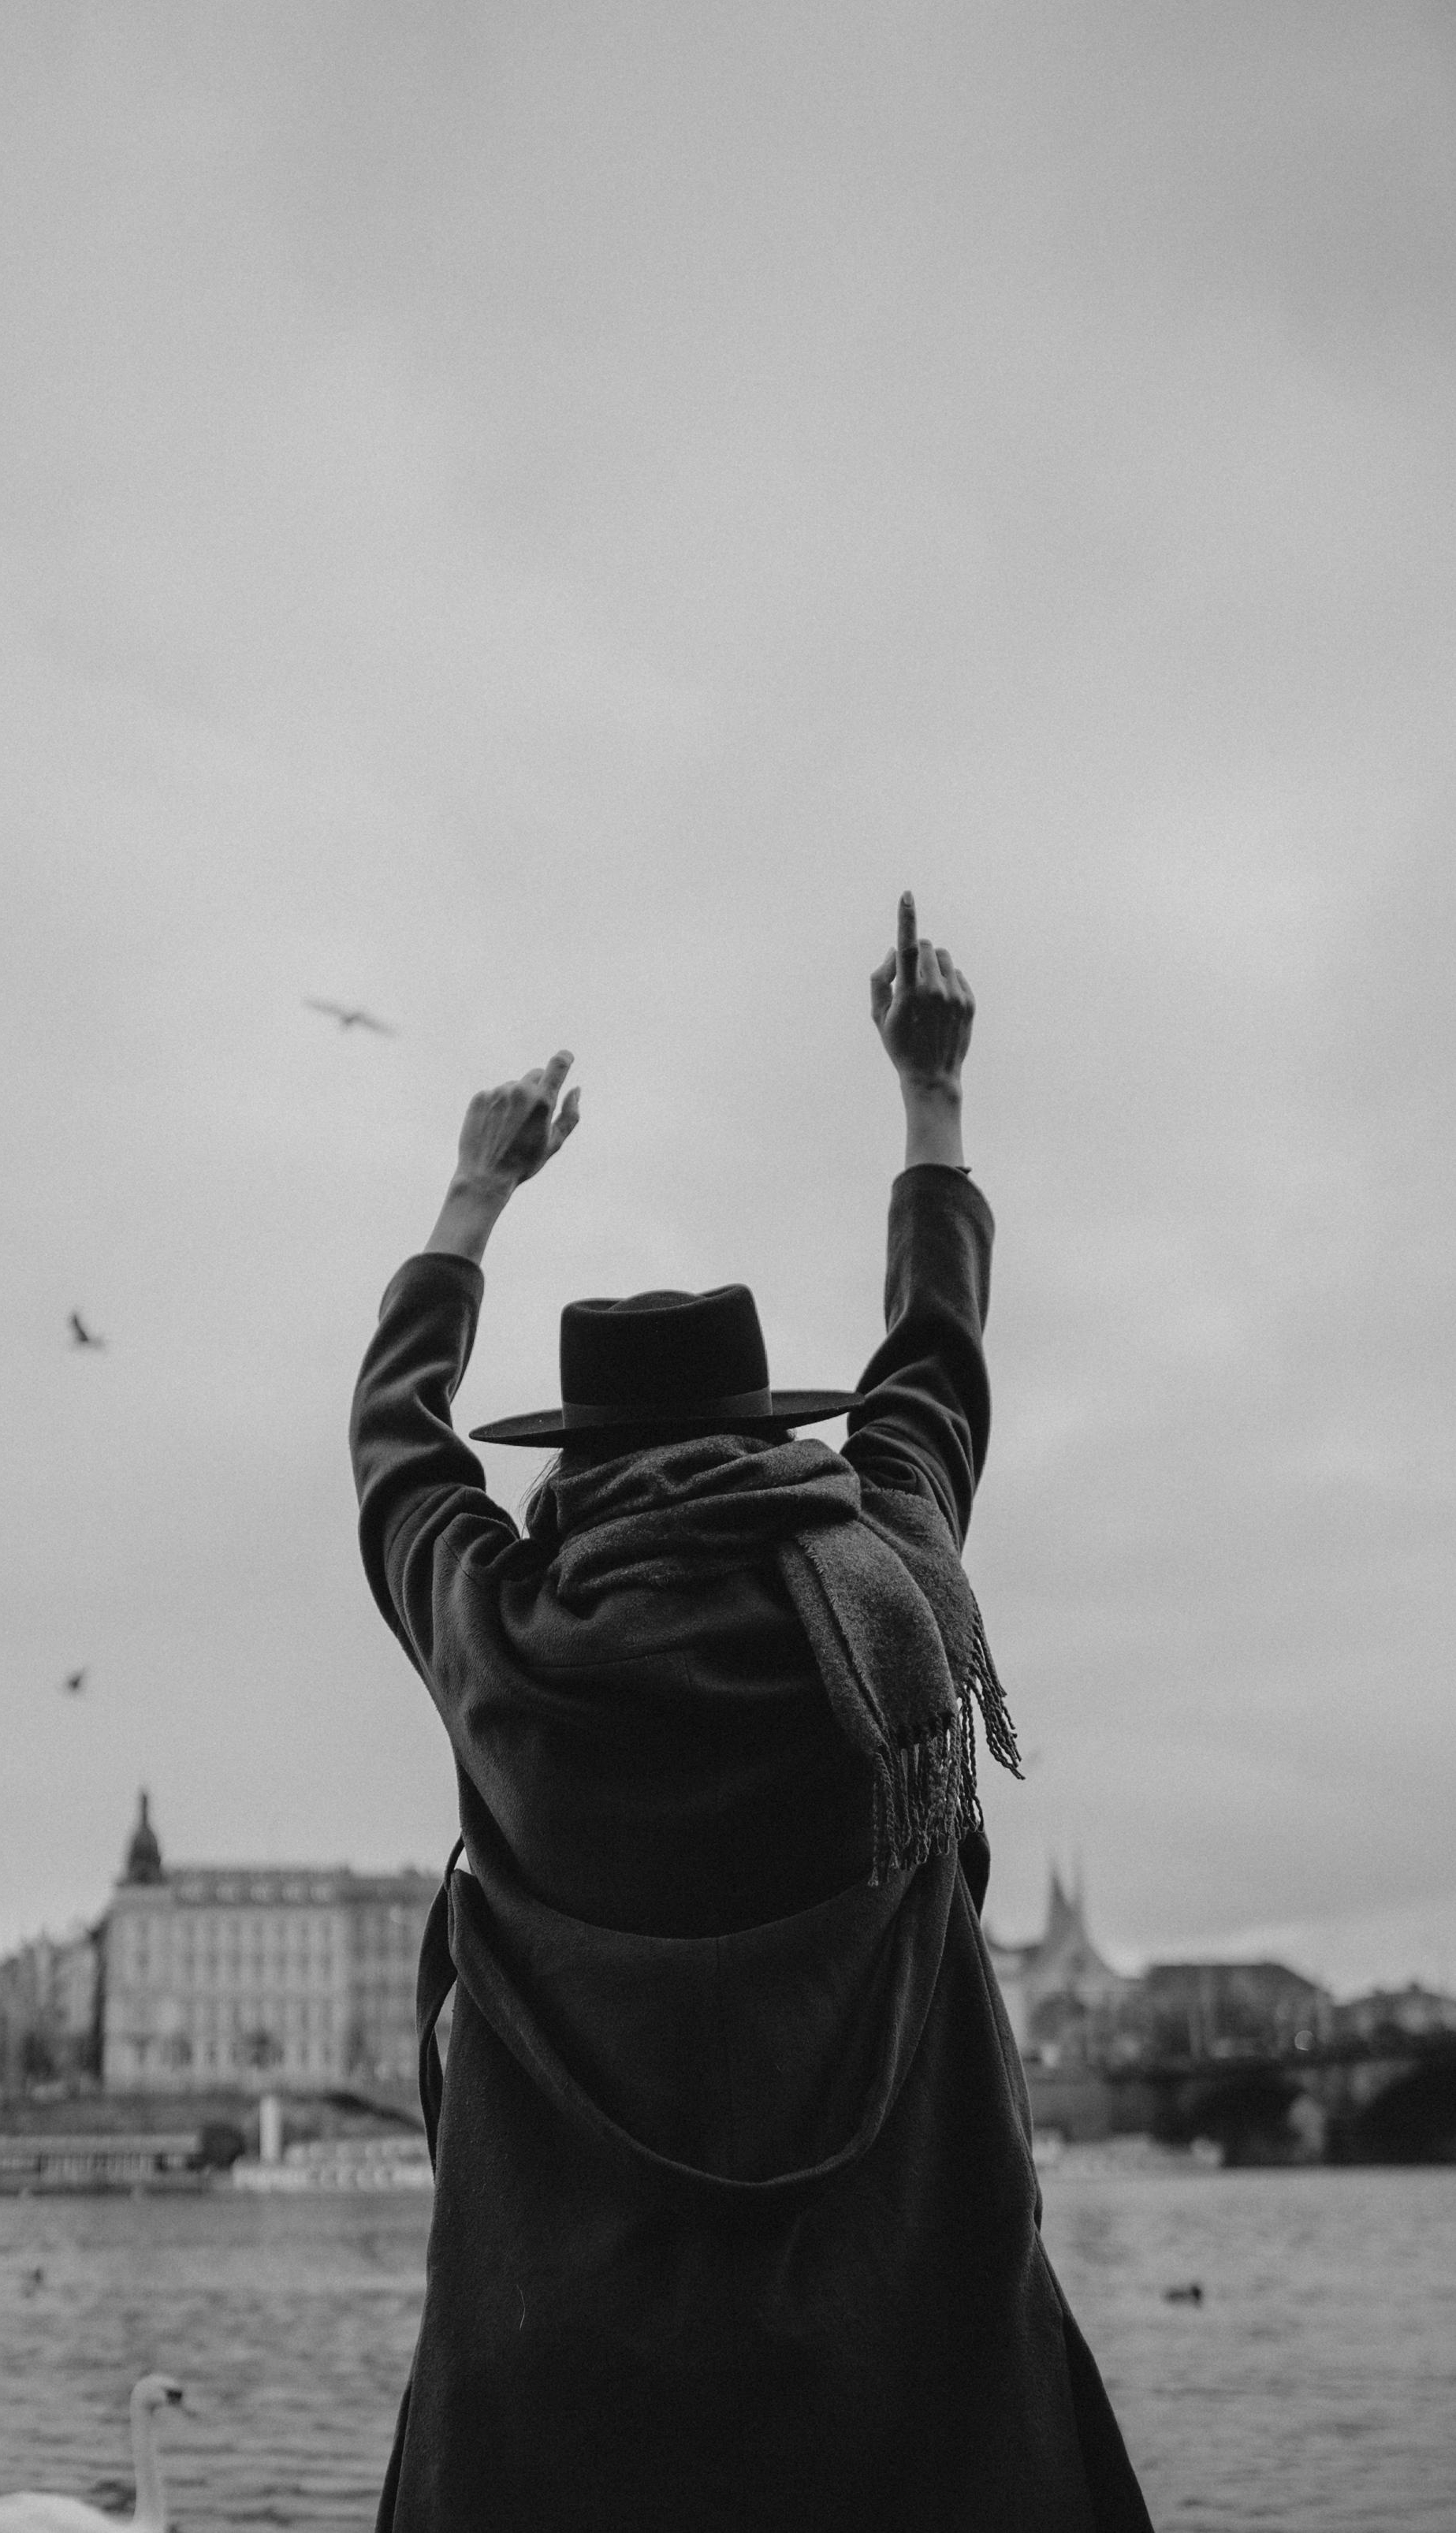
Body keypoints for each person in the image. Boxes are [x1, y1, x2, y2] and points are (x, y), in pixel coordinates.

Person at [350, 894, 1153, 2532]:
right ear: (766, 1429)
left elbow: (393, 1438)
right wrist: (932, 1092)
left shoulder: (505, 1650)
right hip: (917, 2396)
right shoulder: (890, 1574)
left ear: (574, 1467)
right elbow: (938, 1357)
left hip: (562, 2414)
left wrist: (473, 1192)